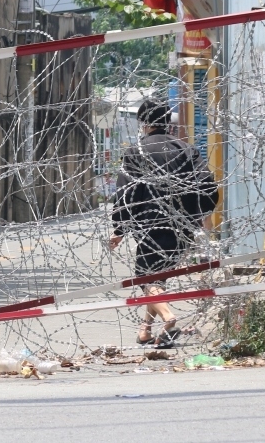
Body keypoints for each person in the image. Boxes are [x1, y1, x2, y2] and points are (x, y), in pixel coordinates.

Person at [109, 99, 218, 347]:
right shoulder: (186, 150)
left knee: (147, 278)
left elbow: (126, 193)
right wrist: (198, 216)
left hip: (150, 225)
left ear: (144, 124)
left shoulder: (136, 152)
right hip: (181, 227)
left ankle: (168, 318)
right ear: (167, 123)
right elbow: (208, 186)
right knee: (156, 278)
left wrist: (119, 229)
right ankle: (145, 329)